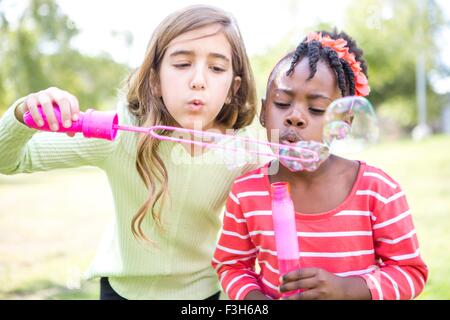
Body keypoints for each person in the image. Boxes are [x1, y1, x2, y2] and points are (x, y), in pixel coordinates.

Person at [0, 5, 270, 300]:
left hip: (201, 297)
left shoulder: (245, 153)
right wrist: (23, 111)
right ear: (155, 80)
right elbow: (11, 160)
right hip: (121, 293)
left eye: (216, 68)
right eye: (182, 64)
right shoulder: (118, 135)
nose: (198, 80)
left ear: (233, 88)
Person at [212, 30, 428, 300]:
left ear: (344, 123)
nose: (295, 117)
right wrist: (256, 300)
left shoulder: (377, 190)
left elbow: (409, 271)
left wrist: (348, 290)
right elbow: (232, 266)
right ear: (264, 113)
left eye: (315, 109)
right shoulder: (247, 192)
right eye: (282, 103)